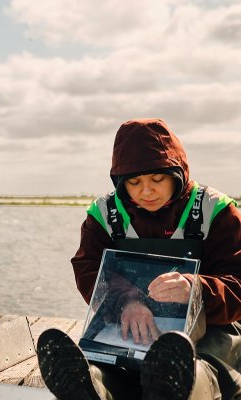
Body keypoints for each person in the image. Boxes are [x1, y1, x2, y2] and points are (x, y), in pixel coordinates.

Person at [37, 119, 241, 399]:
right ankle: (91, 383)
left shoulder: (216, 209)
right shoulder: (103, 213)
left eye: (157, 179)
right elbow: (88, 271)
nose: (147, 191)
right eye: (134, 182)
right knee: (109, 363)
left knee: (205, 365)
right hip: (124, 322)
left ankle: (179, 383)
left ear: (177, 173)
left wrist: (197, 290)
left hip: (211, 326)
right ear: (121, 182)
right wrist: (126, 302)